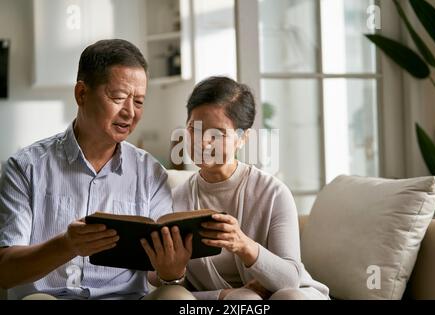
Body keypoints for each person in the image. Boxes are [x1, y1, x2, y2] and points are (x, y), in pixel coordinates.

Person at [0, 39, 191, 300]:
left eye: (139, 102)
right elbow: (4, 270)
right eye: (119, 97)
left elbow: (159, 275)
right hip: (52, 297)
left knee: (176, 296)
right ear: (81, 94)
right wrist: (67, 245)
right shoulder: (25, 167)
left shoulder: (150, 172)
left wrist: (172, 272)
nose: (130, 112)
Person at [170, 76, 330, 300]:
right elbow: (166, 286)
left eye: (218, 134)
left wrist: (243, 245)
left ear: (242, 138)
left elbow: (289, 281)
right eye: (194, 129)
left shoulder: (273, 193)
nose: (203, 142)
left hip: (290, 295)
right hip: (226, 301)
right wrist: (226, 294)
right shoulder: (175, 200)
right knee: (245, 300)